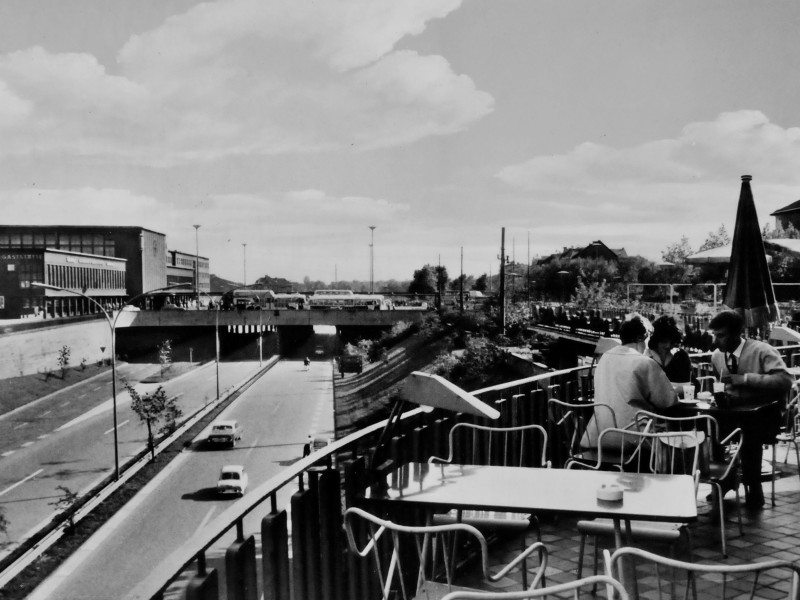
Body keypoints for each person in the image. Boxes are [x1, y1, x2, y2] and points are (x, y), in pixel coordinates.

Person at [709, 310, 794, 509]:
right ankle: (726, 478)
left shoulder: (762, 351)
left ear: (737, 334)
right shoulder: (716, 356)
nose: (716, 340)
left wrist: (746, 379)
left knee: (749, 435)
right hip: (734, 413)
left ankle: (753, 486)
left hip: (766, 415)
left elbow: (786, 380)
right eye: (715, 335)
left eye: (721, 335)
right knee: (710, 431)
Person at [583, 315, 678, 449]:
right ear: (641, 338)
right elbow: (667, 401)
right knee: (677, 438)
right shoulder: (644, 363)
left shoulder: (605, 357)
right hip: (632, 439)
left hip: (598, 436)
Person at [645, 315, 693, 383]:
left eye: (672, 342)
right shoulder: (646, 358)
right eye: (664, 342)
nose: (668, 346)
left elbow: (691, 383)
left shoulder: (681, 356)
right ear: (656, 340)